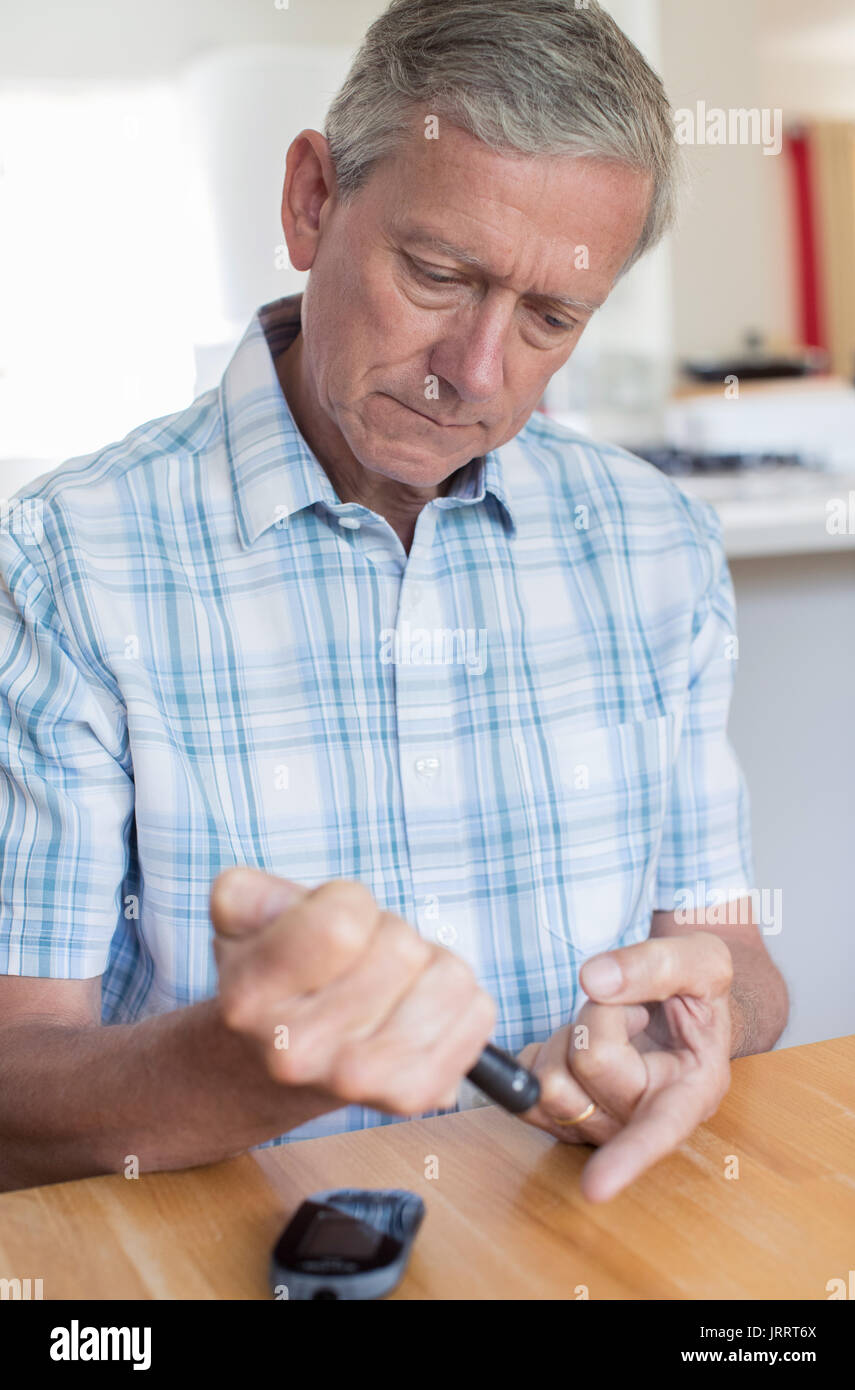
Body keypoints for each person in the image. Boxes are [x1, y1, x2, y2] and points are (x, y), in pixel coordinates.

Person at [0, 0, 787, 1201]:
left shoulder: (655, 542)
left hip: (573, 1230)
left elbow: (733, 949)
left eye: (548, 318)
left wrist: (696, 1025)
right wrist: (250, 1072)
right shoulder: (70, 562)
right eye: (436, 273)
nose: (475, 372)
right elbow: (13, 1086)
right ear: (311, 201)